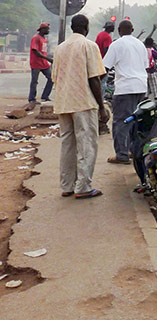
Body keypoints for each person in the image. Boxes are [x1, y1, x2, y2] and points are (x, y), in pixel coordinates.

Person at [51, 14, 109, 199]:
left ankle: (67, 185)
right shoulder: (89, 46)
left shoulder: (59, 49)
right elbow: (94, 79)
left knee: (67, 144)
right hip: (83, 101)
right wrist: (101, 106)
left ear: (71, 27)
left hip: (63, 101)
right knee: (86, 144)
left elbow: (55, 77)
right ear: (87, 27)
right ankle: (83, 186)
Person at [103, 20, 148, 165]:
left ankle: (122, 154)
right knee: (136, 121)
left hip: (125, 89)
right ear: (133, 30)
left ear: (119, 30)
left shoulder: (117, 44)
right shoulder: (140, 45)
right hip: (141, 87)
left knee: (121, 122)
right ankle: (133, 151)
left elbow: (105, 67)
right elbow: (145, 66)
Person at [28, 22, 54, 107]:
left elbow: (44, 52)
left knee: (51, 78)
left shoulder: (44, 39)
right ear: (42, 29)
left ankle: (45, 96)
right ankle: (32, 99)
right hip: (36, 63)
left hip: (44, 63)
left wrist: (50, 57)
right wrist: (48, 59)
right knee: (34, 81)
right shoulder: (36, 38)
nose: (48, 30)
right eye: (47, 29)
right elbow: (35, 51)